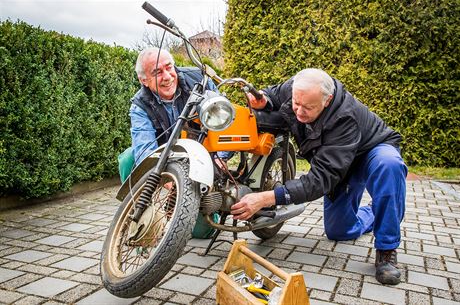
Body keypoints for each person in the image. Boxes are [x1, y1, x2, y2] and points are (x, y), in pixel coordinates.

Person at [231, 68, 407, 285]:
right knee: (338, 232)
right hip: (339, 165)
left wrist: (266, 198)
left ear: (327, 100)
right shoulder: (296, 87)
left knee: (389, 164)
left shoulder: (344, 117)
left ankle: (387, 249)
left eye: (308, 107)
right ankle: (375, 212)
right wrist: (264, 101)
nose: (299, 112)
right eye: (296, 103)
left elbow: (320, 180)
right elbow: (272, 95)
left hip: (369, 153)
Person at [120, 47, 225, 238]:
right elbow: (145, 153)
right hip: (167, 159)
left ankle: (206, 211)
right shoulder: (140, 105)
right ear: (144, 80)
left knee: (202, 233)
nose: (167, 76)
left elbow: (224, 120)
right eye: (157, 72)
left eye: (169, 67)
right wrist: (170, 180)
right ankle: (142, 219)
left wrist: (222, 157)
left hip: (202, 158)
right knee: (128, 158)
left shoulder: (200, 81)